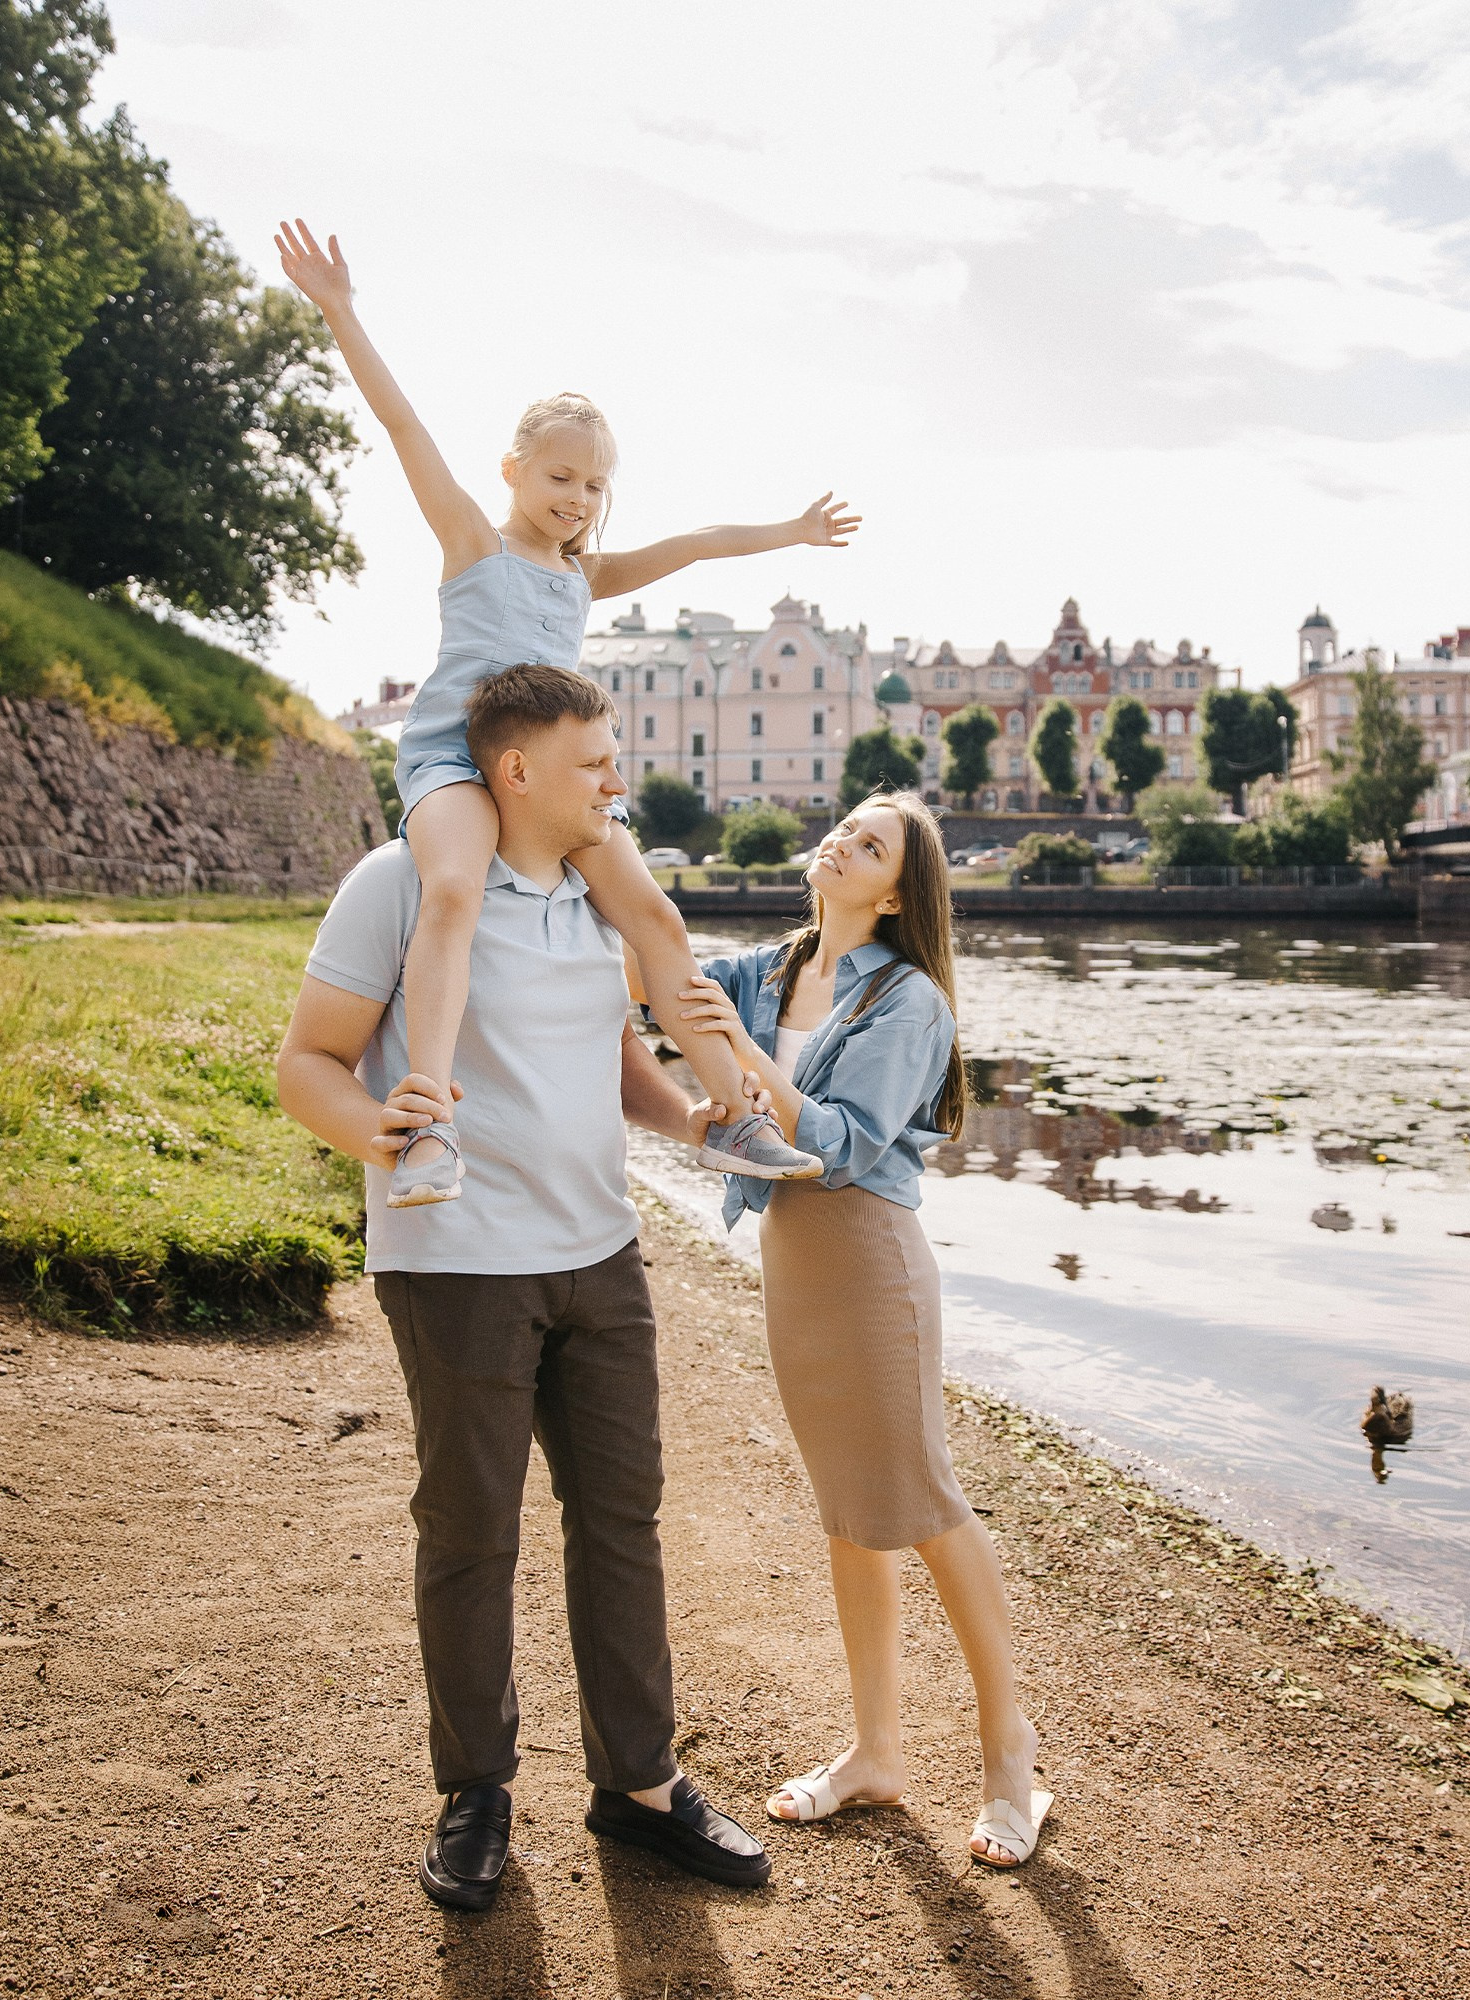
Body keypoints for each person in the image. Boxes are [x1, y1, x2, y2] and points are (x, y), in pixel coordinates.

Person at [277, 663, 771, 1908]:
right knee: (469, 1532)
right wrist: (377, 1133)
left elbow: (608, 1062)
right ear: (515, 771)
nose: (619, 777)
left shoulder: (598, 897)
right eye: (597, 758)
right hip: (456, 1268)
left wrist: (699, 1125)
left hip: (599, 1255)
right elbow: (308, 1062)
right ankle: (476, 1790)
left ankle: (640, 1783)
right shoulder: (403, 886)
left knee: (623, 1520)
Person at [274, 217, 857, 1204]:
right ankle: (429, 1126)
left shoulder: (584, 575)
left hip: (560, 780)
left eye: (593, 485)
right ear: (512, 470)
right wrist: (339, 309)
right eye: (558, 477)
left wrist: (791, 532)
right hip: (460, 760)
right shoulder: (472, 541)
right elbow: (404, 426)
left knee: (656, 917)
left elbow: (698, 542)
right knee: (453, 889)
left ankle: (734, 1116)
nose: (578, 498)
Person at [672, 792, 1053, 1868]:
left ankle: (1008, 1754)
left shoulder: (911, 999)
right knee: (849, 1510)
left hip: (871, 1261)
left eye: (871, 841)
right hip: (793, 1262)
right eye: (846, 823)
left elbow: (840, 1140)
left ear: (894, 890)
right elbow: (675, 988)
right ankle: (876, 1754)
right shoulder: (772, 967)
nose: (843, 836)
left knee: (924, 1498)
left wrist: (744, 1070)